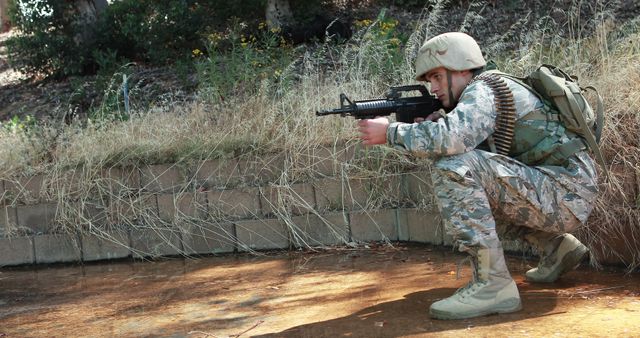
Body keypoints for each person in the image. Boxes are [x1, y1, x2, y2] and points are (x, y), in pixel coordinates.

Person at [357, 32, 598, 320]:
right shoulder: (492, 88)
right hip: (565, 191)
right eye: (428, 81)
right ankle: (556, 248)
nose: (432, 87)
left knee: (454, 168)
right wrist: (433, 125)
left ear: (460, 67)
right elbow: (481, 154)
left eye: (436, 76)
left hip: (564, 193)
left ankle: (493, 286)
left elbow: (452, 141)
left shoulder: (483, 89)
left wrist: (391, 132)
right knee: (474, 182)